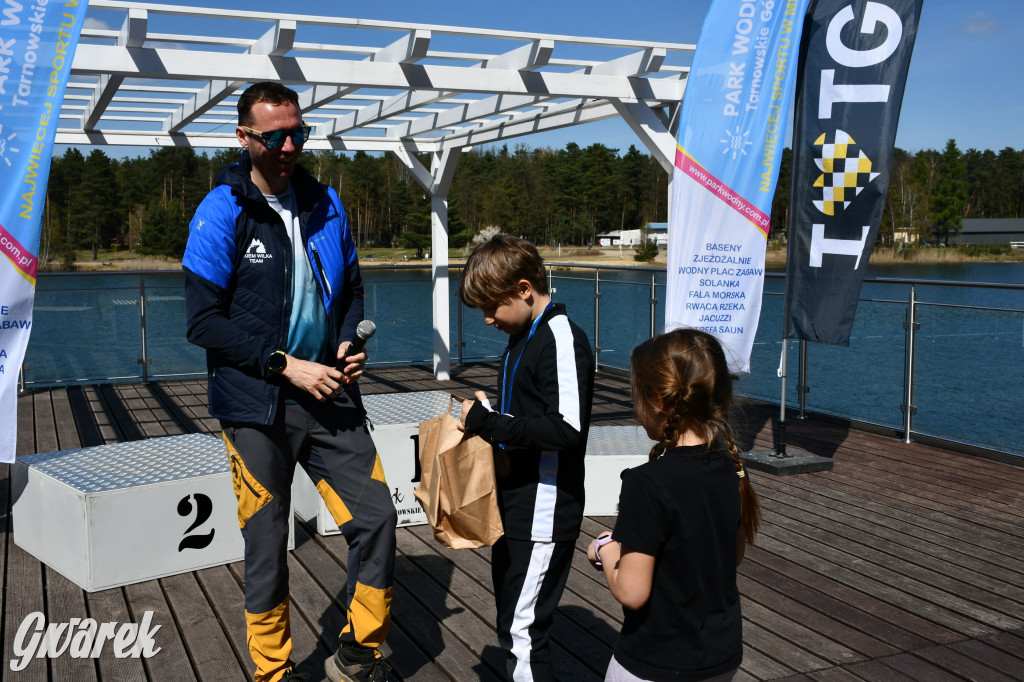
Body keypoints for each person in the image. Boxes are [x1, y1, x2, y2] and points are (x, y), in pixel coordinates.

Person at [183, 82, 396, 682]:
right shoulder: (222, 210)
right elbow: (202, 323)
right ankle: (273, 672)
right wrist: (284, 365)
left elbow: (352, 291)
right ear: (244, 136)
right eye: (275, 136)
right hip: (256, 404)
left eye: (298, 134)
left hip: (330, 391)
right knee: (267, 541)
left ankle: (358, 652)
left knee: (377, 518)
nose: (289, 147)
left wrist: (349, 342)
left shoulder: (326, 202)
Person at [457, 235, 595, 682]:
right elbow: (529, 416)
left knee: (523, 632)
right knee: (513, 621)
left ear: (523, 289)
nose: (487, 319)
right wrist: (491, 419)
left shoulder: (560, 337)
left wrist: (490, 423)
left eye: (491, 307)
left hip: (544, 511)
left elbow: (567, 428)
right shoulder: (523, 335)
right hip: (517, 506)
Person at [586, 328, 761, 682]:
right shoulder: (731, 466)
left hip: (656, 662)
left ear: (658, 401)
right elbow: (734, 554)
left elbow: (632, 592)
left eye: (636, 395)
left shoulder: (646, 483)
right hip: (720, 657)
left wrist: (606, 550)